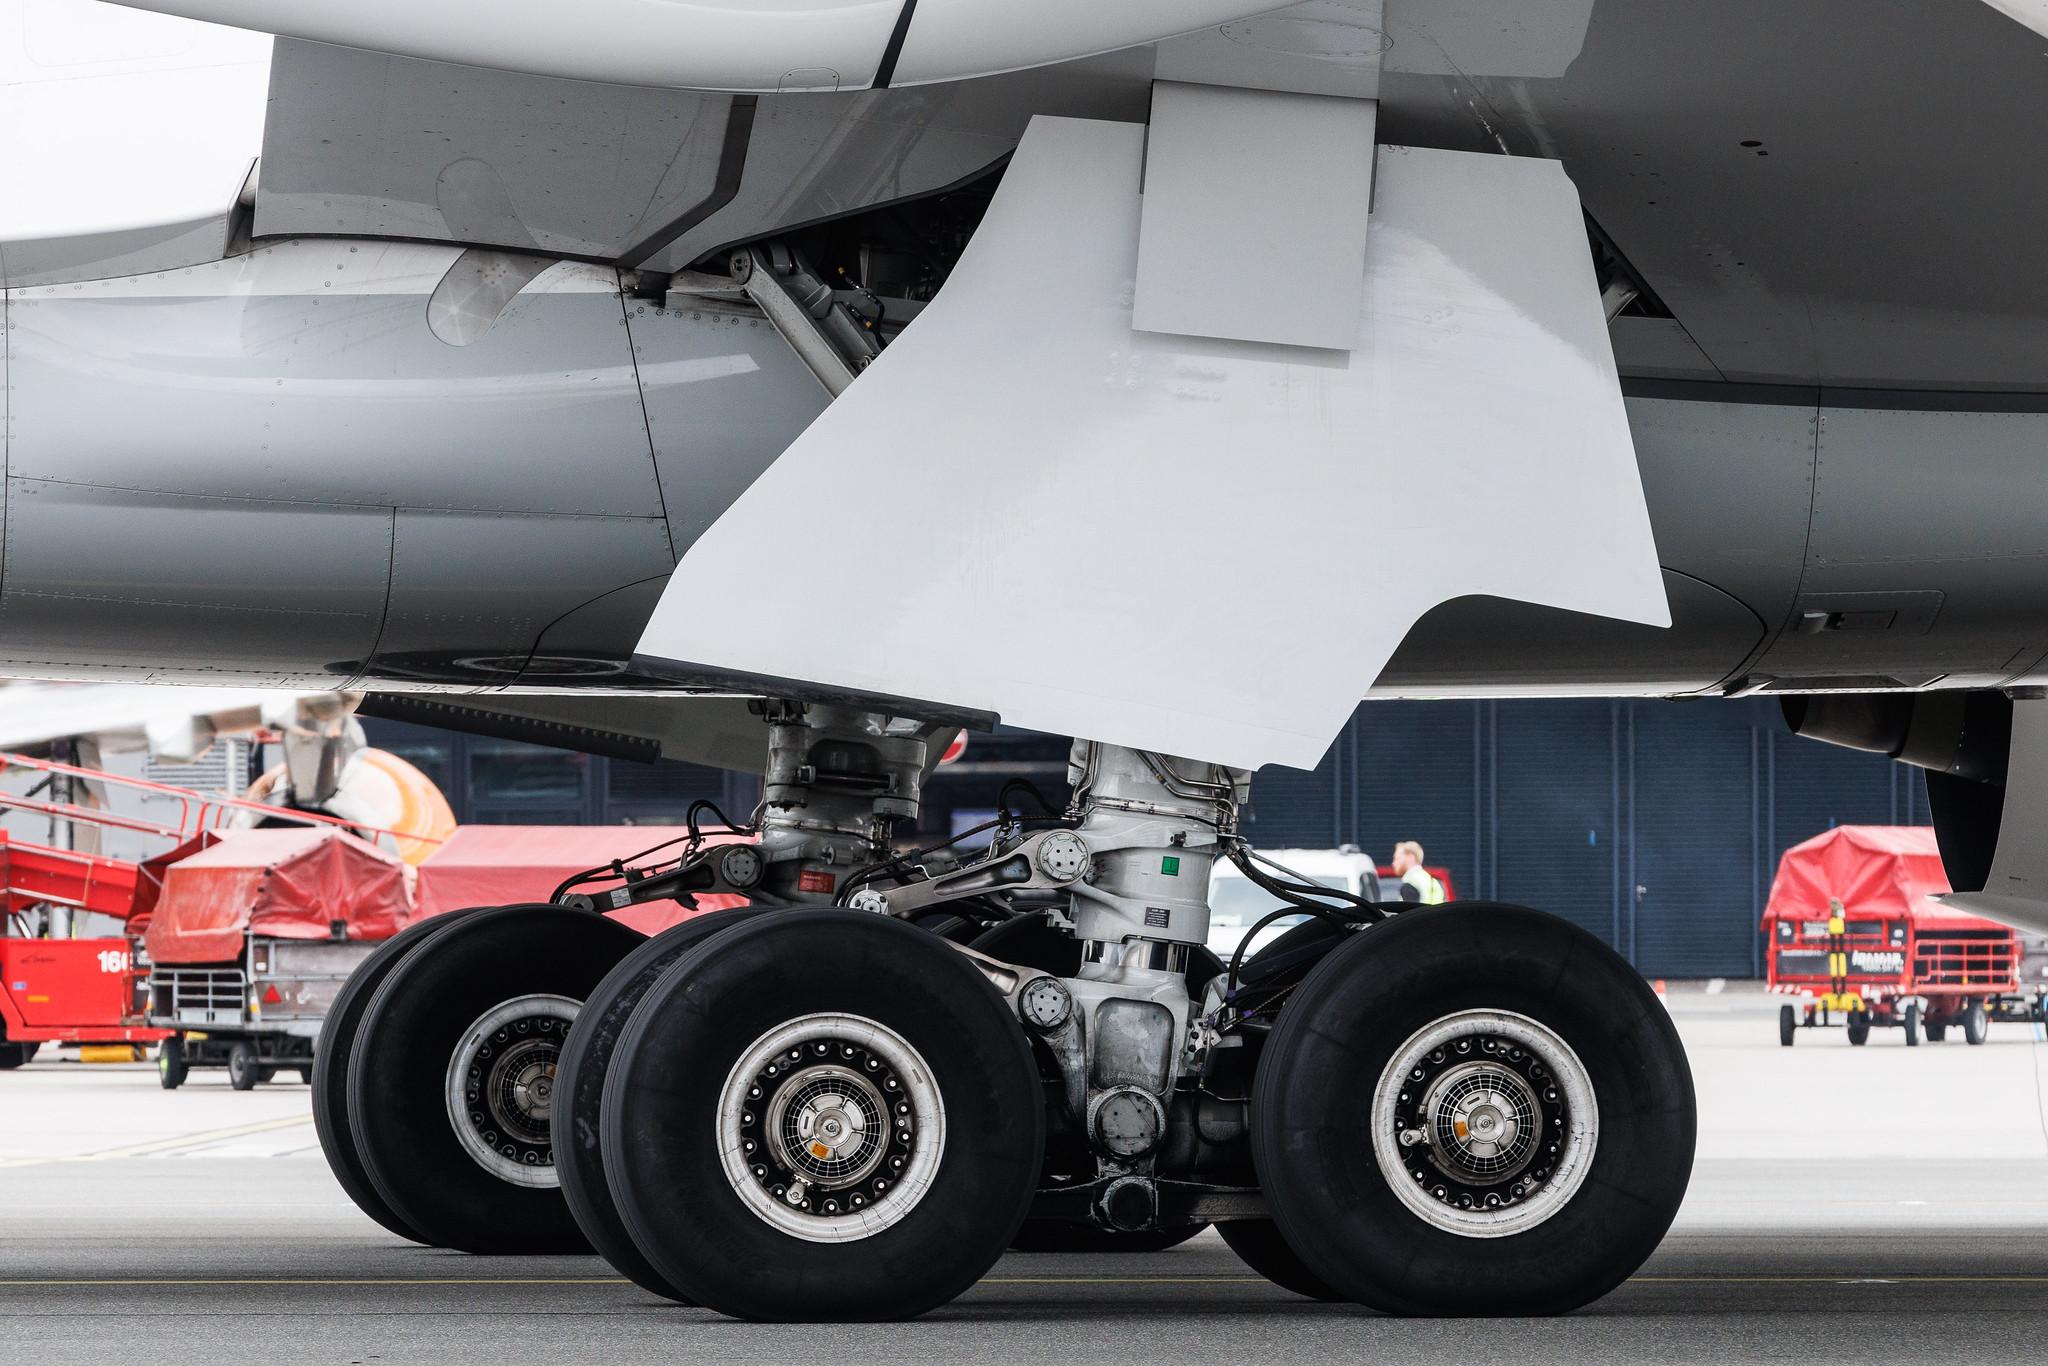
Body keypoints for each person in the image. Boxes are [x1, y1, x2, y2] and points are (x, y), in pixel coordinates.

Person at [1391, 840, 1446, 905]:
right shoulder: (1433, 881)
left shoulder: (1411, 881)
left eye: (1397, 858)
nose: (1393, 863)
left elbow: (1409, 911)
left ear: (1410, 857)